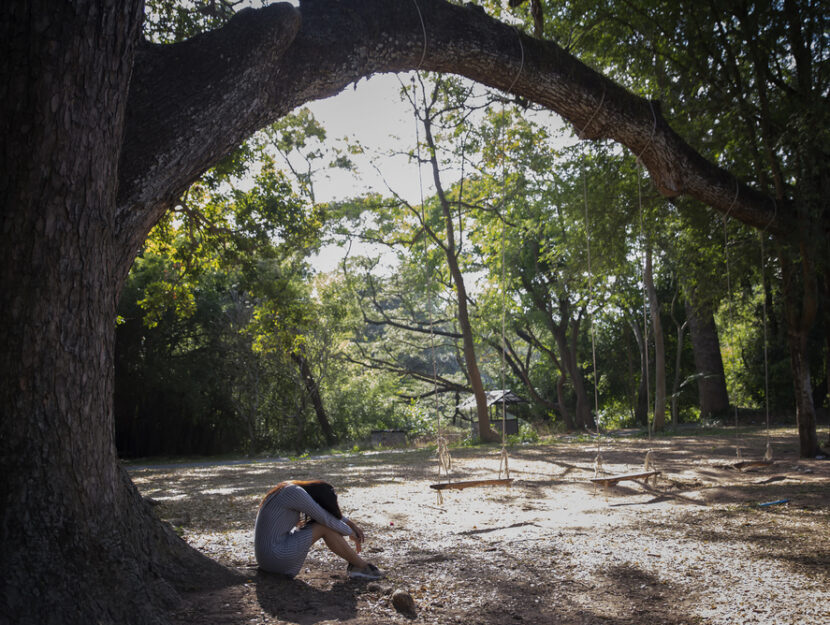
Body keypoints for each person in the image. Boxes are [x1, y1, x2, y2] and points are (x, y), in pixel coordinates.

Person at [254, 479, 382, 579]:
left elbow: (323, 512)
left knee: (324, 524)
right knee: (323, 526)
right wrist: (351, 532)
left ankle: (357, 565)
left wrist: (350, 524)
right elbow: (325, 517)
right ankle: (362, 567)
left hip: (266, 558)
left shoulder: (289, 488)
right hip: (275, 558)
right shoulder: (295, 493)